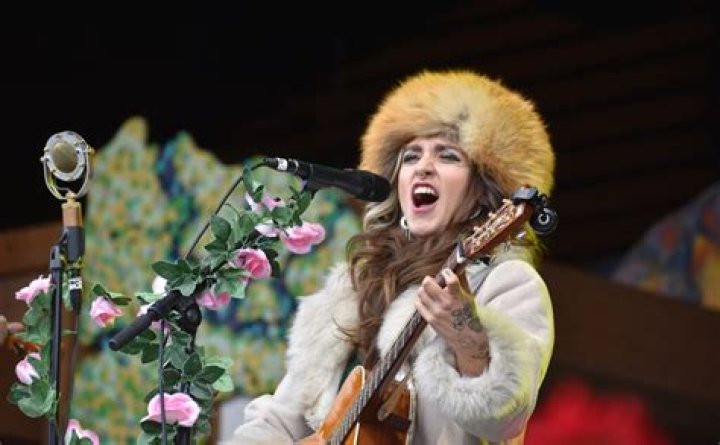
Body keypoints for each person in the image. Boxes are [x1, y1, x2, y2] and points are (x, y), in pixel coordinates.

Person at [227, 69, 556, 444]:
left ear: (483, 192)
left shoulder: (507, 282)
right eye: (411, 156)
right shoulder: (352, 290)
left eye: (448, 156)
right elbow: (279, 420)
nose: (423, 167)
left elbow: (505, 419)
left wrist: (467, 337)